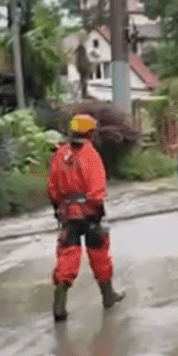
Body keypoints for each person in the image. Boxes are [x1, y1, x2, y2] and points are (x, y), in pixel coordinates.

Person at [47, 113, 125, 322]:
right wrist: (99, 212)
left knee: (67, 257)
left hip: (67, 215)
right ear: (91, 132)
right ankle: (108, 296)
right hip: (90, 215)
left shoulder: (60, 154)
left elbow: (52, 188)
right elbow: (97, 190)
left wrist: (58, 209)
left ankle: (59, 304)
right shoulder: (90, 155)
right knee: (99, 255)